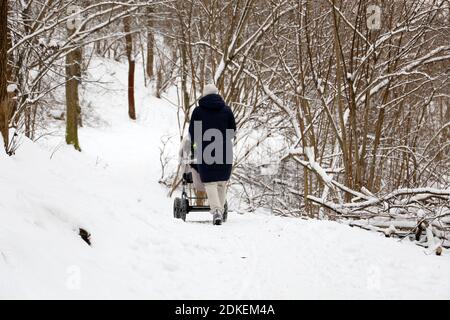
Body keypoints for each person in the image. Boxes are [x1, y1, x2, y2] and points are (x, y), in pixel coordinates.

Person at [189, 83, 236, 225]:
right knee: (222, 182)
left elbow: (194, 134)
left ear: (204, 95)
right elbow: (232, 131)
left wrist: (195, 149)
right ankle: (219, 212)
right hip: (225, 150)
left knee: (210, 182)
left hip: (205, 151)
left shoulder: (198, 111)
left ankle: (216, 211)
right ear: (217, 94)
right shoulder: (227, 111)